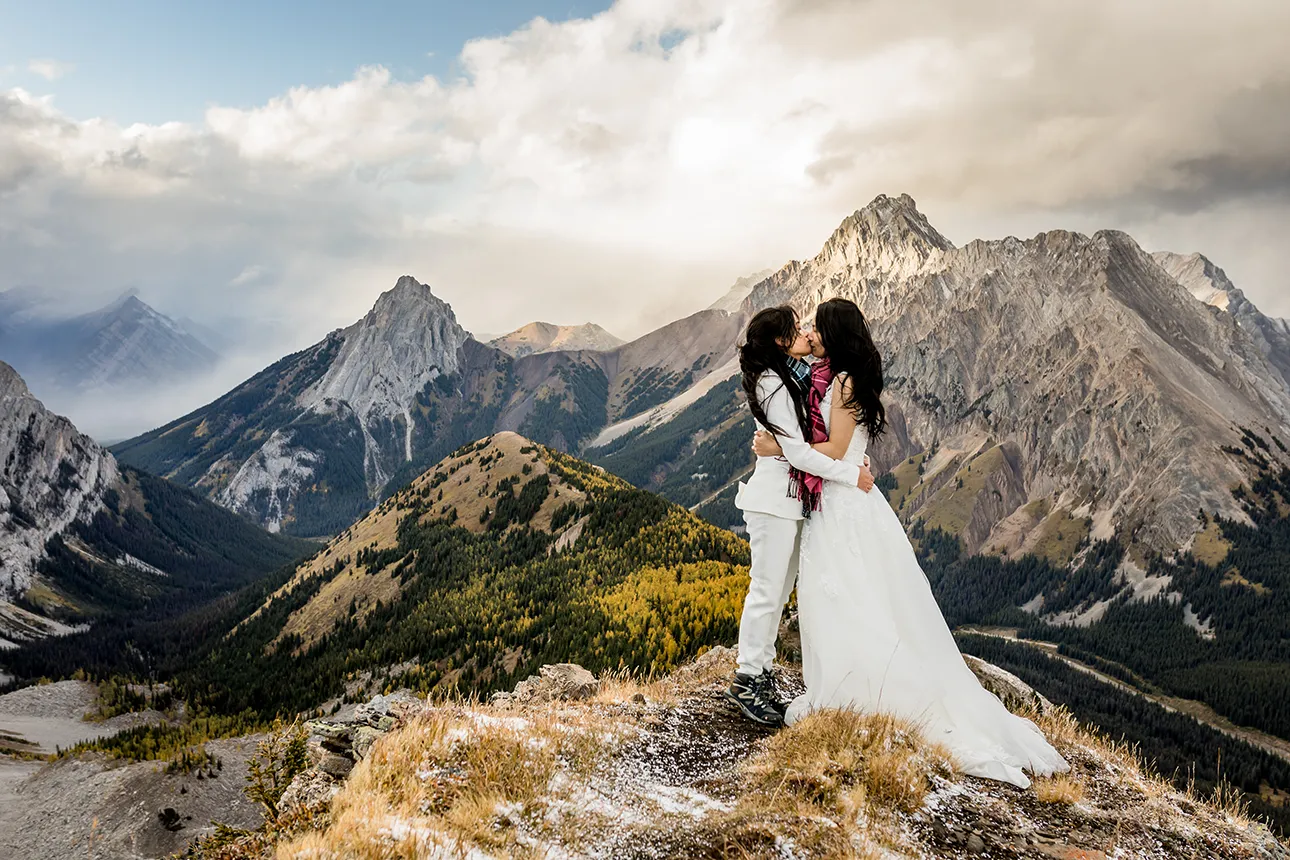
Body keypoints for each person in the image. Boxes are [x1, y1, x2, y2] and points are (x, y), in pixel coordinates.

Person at [753, 298, 1069, 787]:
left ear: (834, 336)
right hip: (845, 502)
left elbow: (835, 450)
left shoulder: (841, 383)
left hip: (843, 504)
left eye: (817, 327)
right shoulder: (837, 377)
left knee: (849, 600)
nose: (810, 333)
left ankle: (857, 692)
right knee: (856, 599)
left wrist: (779, 446)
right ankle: (846, 687)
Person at [726, 306, 874, 727]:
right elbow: (796, 448)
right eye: (795, 330)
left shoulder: (793, 373)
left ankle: (761, 673)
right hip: (773, 501)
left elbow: (817, 432)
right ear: (779, 342)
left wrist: (853, 454)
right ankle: (747, 678)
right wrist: (850, 474)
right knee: (767, 591)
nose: (804, 334)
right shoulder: (772, 382)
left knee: (778, 589)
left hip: (791, 502)